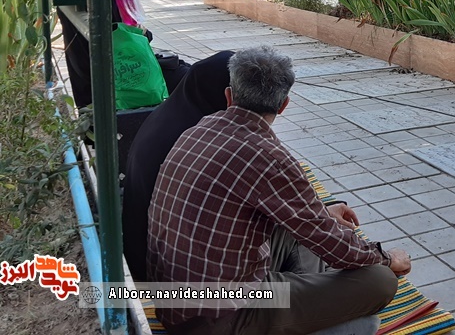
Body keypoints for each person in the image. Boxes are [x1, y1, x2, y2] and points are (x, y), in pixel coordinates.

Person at [147, 46, 409, 335]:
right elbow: (340, 251)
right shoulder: (269, 157)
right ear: (283, 105)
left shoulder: (199, 129)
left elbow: (307, 219)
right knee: (380, 281)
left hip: (174, 300)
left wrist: (322, 214)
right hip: (218, 318)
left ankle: (310, 305)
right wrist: (387, 258)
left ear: (229, 95)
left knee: (304, 226)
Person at [122, 50, 235, 282]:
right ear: (224, 93)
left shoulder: (172, 115)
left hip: (143, 251)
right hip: (167, 272)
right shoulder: (194, 138)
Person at [56, 0, 189, 108]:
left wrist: (138, 26)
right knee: (188, 79)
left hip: (131, 68)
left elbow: (137, 36)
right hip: (109, 81)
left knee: (191, 72)